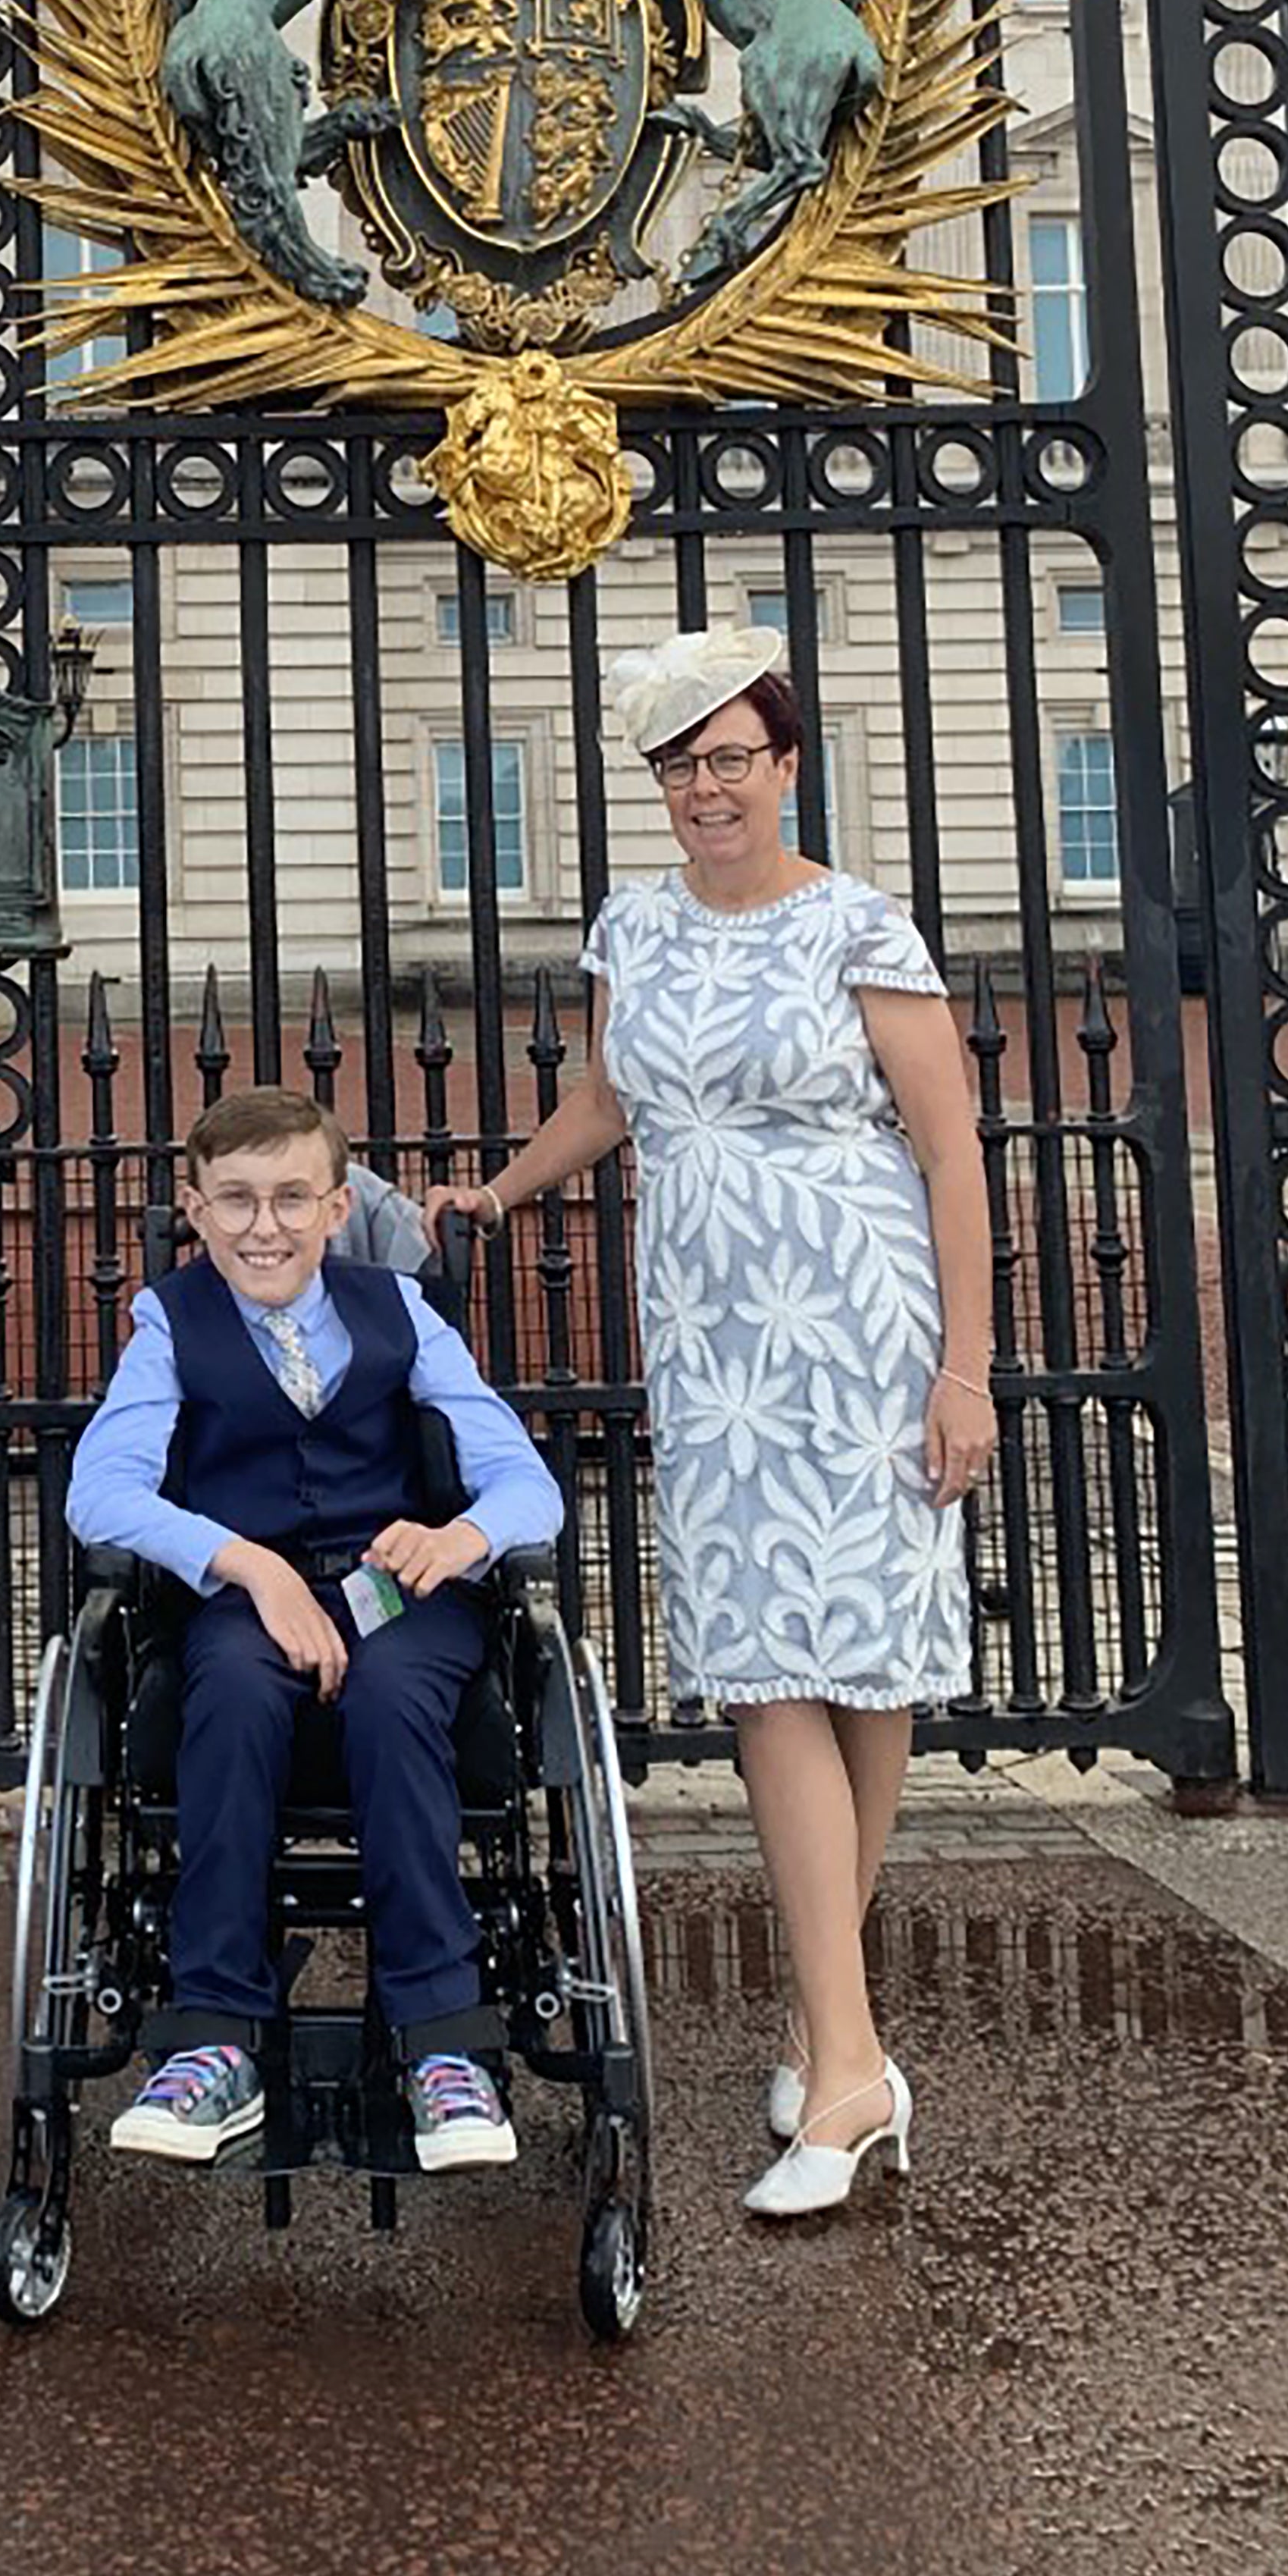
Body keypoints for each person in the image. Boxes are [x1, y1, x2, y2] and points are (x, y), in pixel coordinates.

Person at [422, 630, 995, 2221]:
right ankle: (840, 2041)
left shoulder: (859, 926)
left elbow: (949, 1153)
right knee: (763, 1667)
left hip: (862, 1327)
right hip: (711, 1342)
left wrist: (966, 1370)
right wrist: (499, 1185)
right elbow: (608, 1102)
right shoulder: (632, 926)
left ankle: (842, 2057)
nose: (703, 789)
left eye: (729, 758)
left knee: (857, 1663)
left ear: (784, 763)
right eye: (678, 767)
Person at [67, 1084, 566, 2176]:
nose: (265, 1226)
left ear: (338, 1207)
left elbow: (527, 1484)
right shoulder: (171, 1320)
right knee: (236, 1689)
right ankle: (214, 2037)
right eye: (236, 1200)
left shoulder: (401, 1310)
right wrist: (245, 1563)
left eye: (292, 1197)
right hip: (246, 1602)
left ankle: (443, 2043)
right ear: (192, 1207)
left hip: (399, 1593)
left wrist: (464, 1539)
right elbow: (97, 1491)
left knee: (394, 1696)